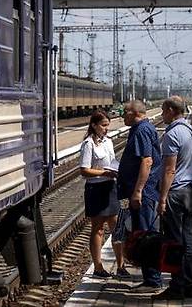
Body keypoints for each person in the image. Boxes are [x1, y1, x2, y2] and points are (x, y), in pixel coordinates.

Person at [155, 96, 192, 300]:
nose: (163, 114)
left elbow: (169, 170)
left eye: (164, 110)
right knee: (189, 239)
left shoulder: (172, 134)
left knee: (174, 241)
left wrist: (162, 198)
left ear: (172, 110)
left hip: (175, 193)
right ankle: (190, 285)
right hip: (189, 190)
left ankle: (177, 287)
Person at [117, 100, 163, 290]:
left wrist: (137, 191)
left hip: (144, 193)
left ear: (133, 113)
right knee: (143, 235)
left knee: (145, 237)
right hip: (145, 191)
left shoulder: (142, 130)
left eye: (124, 113)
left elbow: (147, 161)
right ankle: (150, 279)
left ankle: (153, 281)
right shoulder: (141, 128)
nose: (122, 117)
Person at [78, 110, 122, 278]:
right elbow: (84, 170)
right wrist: (103, 173)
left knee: (116, 227)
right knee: (98, 229)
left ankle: (121, 265)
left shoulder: (108, 142)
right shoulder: (88, 144)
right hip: (95, 189)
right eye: (103, 125)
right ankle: (98, 267)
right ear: (94, 125)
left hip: (111, 187)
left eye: (107, 125)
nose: (106, 129)